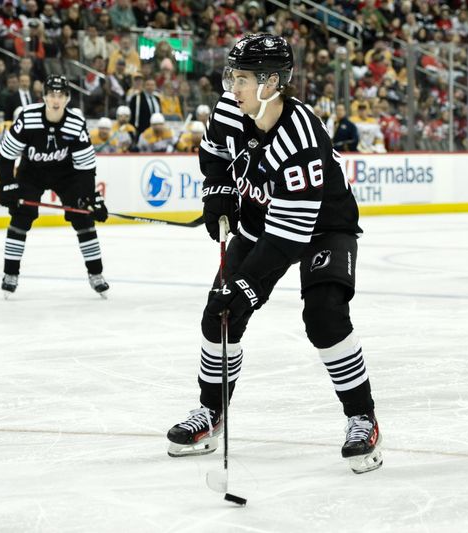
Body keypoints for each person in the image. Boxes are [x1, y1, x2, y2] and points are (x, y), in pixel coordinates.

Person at [166, 34, 382, 474]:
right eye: (232, 76)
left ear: (270, 84)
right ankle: (211, 412)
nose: (232, 86)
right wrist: (219, 194)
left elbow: (287, 239)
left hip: (322, 227)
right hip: (259, 219)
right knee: (218, 316)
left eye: (241, 78)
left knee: (324, 315)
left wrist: (246, 286)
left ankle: (362, 418)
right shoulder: (230, 109)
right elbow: (212, 155)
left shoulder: (301, 140)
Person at [0, 75, 110, 297]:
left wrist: (89, 198)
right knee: (21, 217)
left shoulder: (76, 123)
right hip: (31, 173)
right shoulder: (28, 118)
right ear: (44, 96)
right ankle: (10, 274)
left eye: (60, 95)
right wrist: (7, 185)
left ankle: (96, 274)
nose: (55, 100)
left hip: (66, 174)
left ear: (68, 98)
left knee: (83, 218)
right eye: (51, 94)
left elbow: (86, 167)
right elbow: (6, 155)